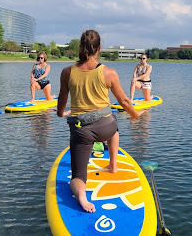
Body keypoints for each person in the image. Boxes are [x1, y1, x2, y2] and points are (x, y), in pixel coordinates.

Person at [57, 30, 145, 213]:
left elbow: (62, 99)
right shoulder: (109, 72)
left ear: (80, 47)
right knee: (114, 129)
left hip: (82, 132)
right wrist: (135, 114)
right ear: (99, 48)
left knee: (78, 176)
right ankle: (113, 165)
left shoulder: (67, 72)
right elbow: (125, 101)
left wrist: (60, 113)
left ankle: (82, 196)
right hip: (106, 127)